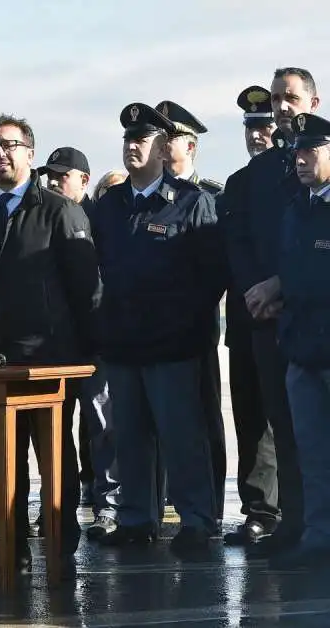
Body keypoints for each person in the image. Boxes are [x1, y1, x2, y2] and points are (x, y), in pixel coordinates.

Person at [0, 114, 99, 579]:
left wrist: (84, 357)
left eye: (11, 145)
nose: (2, 153)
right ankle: (9, 550)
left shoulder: (59, 211)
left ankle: (60, 551)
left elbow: (87, 289)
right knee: (1, 464)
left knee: (55, 463)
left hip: (48, 362)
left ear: (30, 154)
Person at [93, 103, 224, 554]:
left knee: (182, 436)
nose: (132, 146)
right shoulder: (108, 206)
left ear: (164, 149)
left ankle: (197, 520)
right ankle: (136, 518)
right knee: (127, 436)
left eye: (142, 139)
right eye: (128, 138)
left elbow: (211, 278)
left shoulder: (191, 202)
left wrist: (185, 329)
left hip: (172, 346)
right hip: (123, 343)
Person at [223, 67, 321, 558]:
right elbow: (238, 240)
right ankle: (295, 523)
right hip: (268, 318)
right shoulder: (254, 176)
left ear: (314, 100)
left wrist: (285, 284)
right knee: (283, 426)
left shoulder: (322, 162)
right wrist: (257, 291)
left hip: (317, 317)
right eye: (278, 98)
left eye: (292, 97)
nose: (284, 106)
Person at [36, 145, 120, 538]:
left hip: (97, 341)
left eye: (61, 176)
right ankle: (56, 506)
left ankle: (108, 506)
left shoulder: (102, 218)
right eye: (49, 175)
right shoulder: (41, 217)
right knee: (55, 432)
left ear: (84, 180)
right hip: (56, 344)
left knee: (103, 426)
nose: (53, 182)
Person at [154, 100, 226, 530]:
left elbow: (213, 271)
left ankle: (210, 505)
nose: (164, 144)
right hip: (155, 329)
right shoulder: (146, 196)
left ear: (191, 146)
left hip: (194, 328)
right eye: (160, 137)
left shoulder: (211, 196)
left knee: (203, 415)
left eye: (172, 137)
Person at [218, 85, 279, 546]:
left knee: (293, 422)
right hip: (246, 317)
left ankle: (295, 512)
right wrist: (253, 293)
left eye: (265, 126)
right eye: (251, 129)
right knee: (251, 419)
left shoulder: (299, 181)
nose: (258, 136)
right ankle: (259, 509)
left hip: (290, 318)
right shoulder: (237, 184)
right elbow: (232, 250)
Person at [271, 112, 330, 569]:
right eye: (297, 150)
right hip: (303, 350)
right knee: (312, 453)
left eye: (311, 149)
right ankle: (319, 536)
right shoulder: (296, 208)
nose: (300, 158)